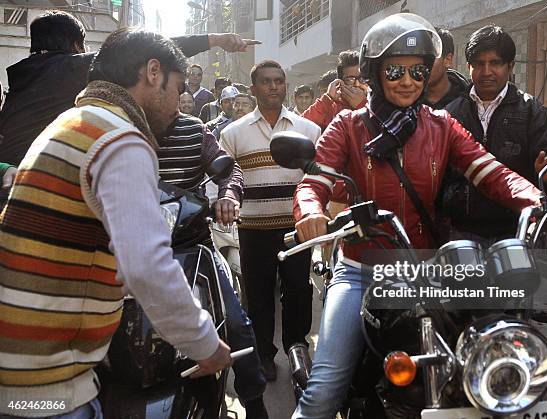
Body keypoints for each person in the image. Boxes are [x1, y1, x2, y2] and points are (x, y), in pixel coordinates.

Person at [290, 14, 547, 418]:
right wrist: (311, 212)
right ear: (375, 72)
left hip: (431, 268)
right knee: (324, 391)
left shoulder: (442, 125)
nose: (407, 80)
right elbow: (314, 184)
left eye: (417, 70)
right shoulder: (349, 125)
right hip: (362, 268)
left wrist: (540, 202)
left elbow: (492, 173)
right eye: (395, 70)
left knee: (483, 365)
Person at [0, 28, 232, 418]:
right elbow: (146, 265)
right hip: (49, 391)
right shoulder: (119, 137)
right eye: (177, 89)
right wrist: (206, 344)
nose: (178, 106)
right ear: (153, 72)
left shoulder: (74, 121)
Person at [0, 10, 248, 166]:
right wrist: (215, 40)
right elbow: (150, 47)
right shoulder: (70, 68)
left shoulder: (22, 75)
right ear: (76, 45)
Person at [158, 113, 268, 418]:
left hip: (192, 246)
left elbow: (229, 170)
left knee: (235, 322)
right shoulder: (120, 130)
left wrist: (228, 196)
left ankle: (254, 398)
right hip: (131, 251)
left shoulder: (193, 129)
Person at [220, 60, 321, 382]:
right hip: (253, 231)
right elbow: (224, 180)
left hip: (296, 230)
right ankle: (264, 354)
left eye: (279, 81)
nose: (273, 87)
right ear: (253, 89)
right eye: (266, 82)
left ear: (285, 86)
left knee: (298, 292)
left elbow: (317, 180)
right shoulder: (233, 133)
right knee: (259, 296)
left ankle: (297, 350)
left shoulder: (307, 130)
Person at [442, 25, 547, 243]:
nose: (486, 71)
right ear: (468, 66)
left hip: (517, 230)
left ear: (510, 65)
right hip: (461, 232)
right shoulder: (450, 114)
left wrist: (541, 171)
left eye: (495, 63)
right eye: (478, 64)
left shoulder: (532, 111)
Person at [303, 50, 368, 132]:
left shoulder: (377, 102)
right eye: (350, 79)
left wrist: (363, 105)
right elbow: (301, 127)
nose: (357, 84)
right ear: (341, 82)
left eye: (362, 78)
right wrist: (327, 99)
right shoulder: (332, 107)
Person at [423, 27, 469, 109]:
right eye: (420, 59)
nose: (423, 65)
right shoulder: (408, 101)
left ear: (448, 60)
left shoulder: (470, 102)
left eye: (429, 58)